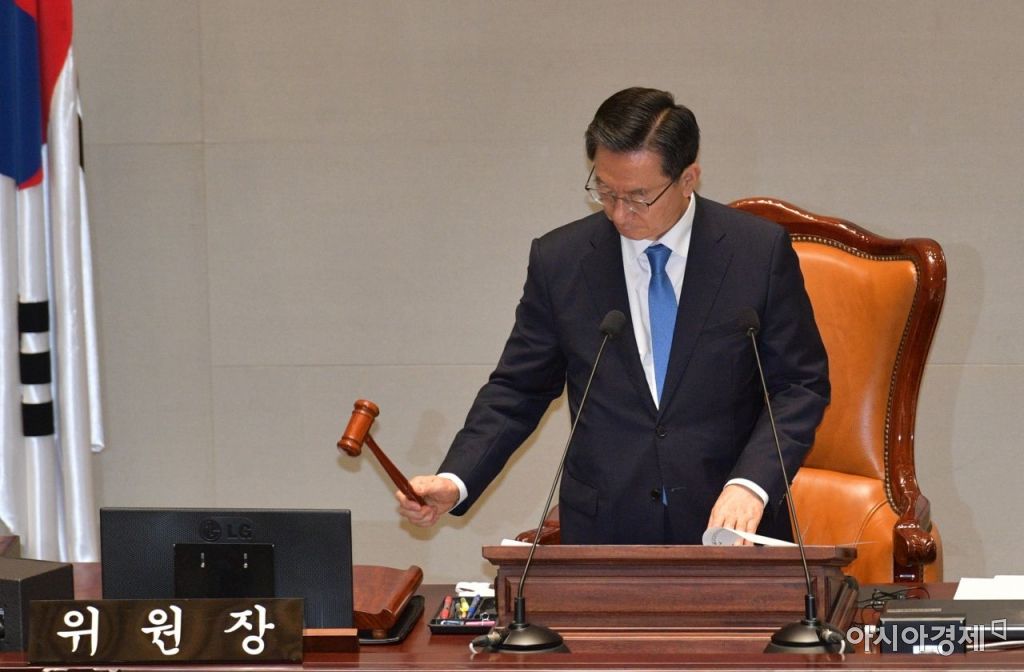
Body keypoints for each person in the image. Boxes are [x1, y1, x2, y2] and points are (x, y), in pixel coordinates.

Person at [397, 87, 829, 544]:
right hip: (605, 531)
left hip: (730, 528)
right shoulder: (562, 261)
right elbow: (519, 388)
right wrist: (456, 479)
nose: (620, 214)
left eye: (639, 196)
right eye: (605, 191)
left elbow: (799, 385)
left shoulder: (756, 253)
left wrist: (752, 484)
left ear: (688, 179)